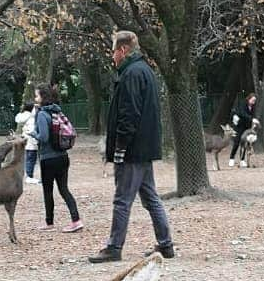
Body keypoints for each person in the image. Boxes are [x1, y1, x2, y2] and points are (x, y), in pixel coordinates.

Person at [90, 30, 174, 264]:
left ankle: (114, 247)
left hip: (133, 150)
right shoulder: (145, 71)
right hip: (144, 148)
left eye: (114, 50)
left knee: (122, 199)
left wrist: (120, 147)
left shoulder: (131, 74)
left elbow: (129, 114)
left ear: (123, 50)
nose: (112, 56)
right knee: (150, 197)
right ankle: (166, 244)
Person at [33, 84, 83, 234]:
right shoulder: (57, 111)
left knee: (48, 190)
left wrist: (32, 134)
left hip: (48, 159)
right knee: (64, 189)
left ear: (43, 97)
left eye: (36, 95)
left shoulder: (42, 114)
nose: (35, 98)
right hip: (63, 156)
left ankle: (49, 222)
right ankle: (76, 220)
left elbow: (43, 137)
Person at [229, 93, 258, 168]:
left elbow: (253, 115)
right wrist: (252, 119)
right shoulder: (243, 104)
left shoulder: (253, 106)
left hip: (247, 126)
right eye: (253, 100)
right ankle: (231, 158)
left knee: (245, 143)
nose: (253, 102)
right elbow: (242, 114)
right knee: (237, 141)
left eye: (255, 100)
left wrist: (253, 122)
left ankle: (242, 160)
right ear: (249, 99)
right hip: (239, 125)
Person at [15, 101, 39, 184]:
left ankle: (29, 175)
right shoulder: (31, 118)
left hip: (27, 140)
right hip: (31, 141)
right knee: (31, 159)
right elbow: (32, 131)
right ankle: (29, 176)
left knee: (29, 158)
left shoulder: (24, 116)